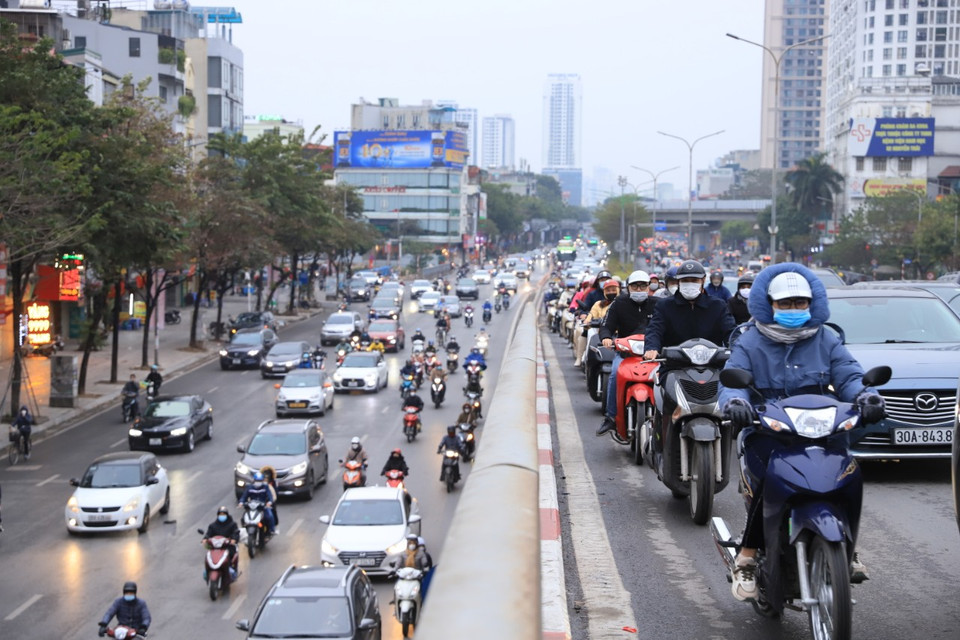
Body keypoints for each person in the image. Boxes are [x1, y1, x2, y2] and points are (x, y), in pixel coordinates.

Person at [719, 264, 884, 602]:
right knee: (769, 479)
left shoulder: (826, 337)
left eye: (800, 303)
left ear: (812, 304)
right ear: (770, 305)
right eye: (785, 304)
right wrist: (736, 401)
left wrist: (866, 395)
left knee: (846, 475)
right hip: (769, 428)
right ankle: (747, 556)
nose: (794, 310)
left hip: (822, 427)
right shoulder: (749, 341)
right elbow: (733, 377)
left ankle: (847, 548)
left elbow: (849, 374)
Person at [640, 259, 737, 445]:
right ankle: (660, 439)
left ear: (703, 281)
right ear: (677, 282)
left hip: (713, 367)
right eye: (685, 280)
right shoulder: (665, 306)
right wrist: (651, 348)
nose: (689, 284)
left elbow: (731, 332)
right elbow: (654, 330)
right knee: (664, 401)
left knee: (732, 398)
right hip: (674, 367)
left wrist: (738, 348)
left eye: (694, 280)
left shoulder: (717, 306)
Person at [595, 271, 659, 436]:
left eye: (643, 285)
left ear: (648, 287)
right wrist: (607, 338)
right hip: (626, 354)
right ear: (628, 287)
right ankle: (610, 417)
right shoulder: (619, 303)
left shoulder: (659, 304)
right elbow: (606, 325)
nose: (639, 289)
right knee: (615, 374)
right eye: (635, 286)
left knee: (665, 378)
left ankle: (666, 417)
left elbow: (669, 326)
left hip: (653, 355)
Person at [202, 506, 241, 578]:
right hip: (216, 547)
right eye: (220, 514)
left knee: (232, 554)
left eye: (223, 514)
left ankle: (233, 570)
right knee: (208, 556)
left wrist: (234, 539)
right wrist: (205, 539)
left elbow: (236, 533)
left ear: (227, 515)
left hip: (228, 546)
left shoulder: (232, 524)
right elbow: (208, 534)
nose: (222, 516)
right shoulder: (213, 525)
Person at [237, 471, 277, 536]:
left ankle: (272, 530)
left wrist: (269, 502)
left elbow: (270, 496)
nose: (258, 482)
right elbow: (244, 496)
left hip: (262, 506)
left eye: (260, 481)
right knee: (243, 518)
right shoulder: (249, 487)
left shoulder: (265, 487)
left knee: (270, 516)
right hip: (252, 506)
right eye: (257, 480)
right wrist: (241, 502)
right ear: (254, 480)